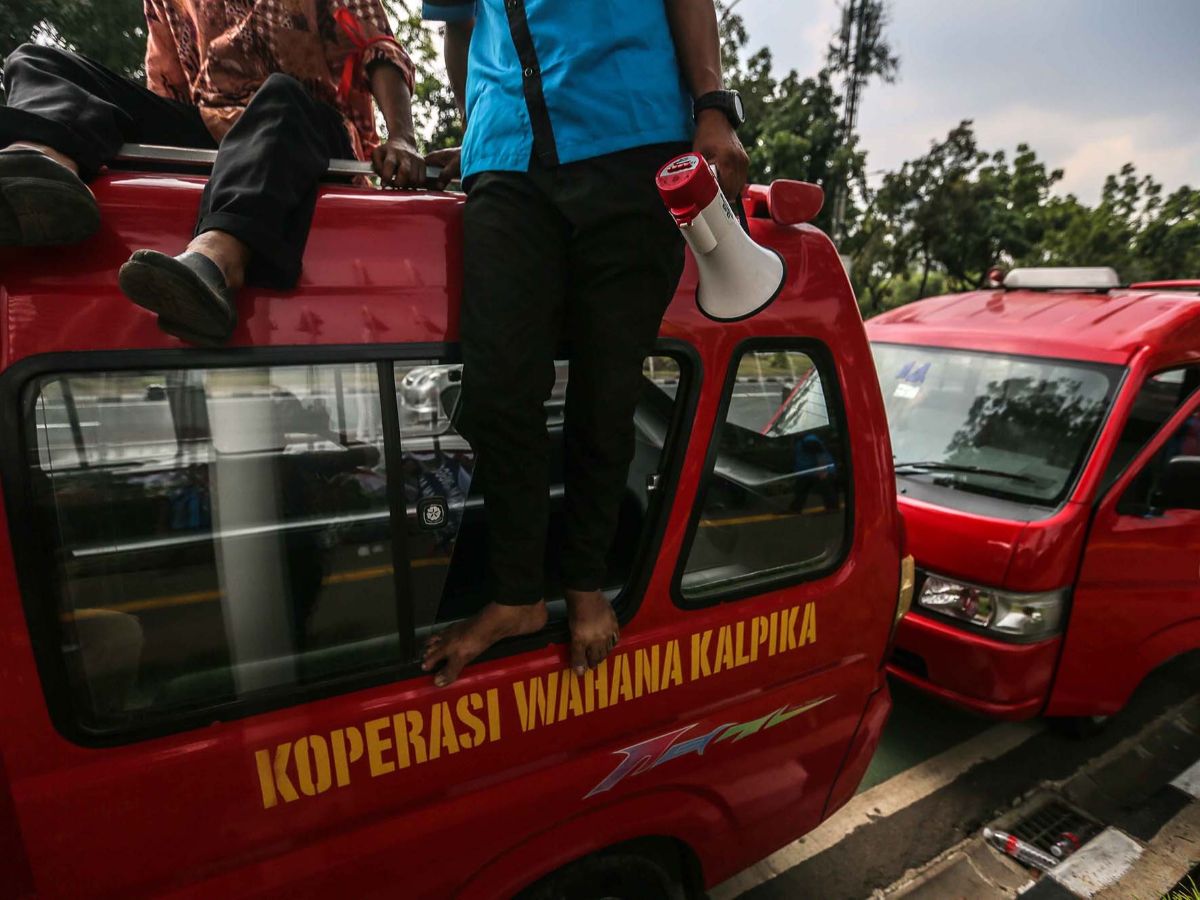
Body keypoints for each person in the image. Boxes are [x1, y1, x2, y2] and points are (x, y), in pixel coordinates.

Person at [419, 0, 749, 686]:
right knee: (497, 383)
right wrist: (474, 122)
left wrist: (713, 107)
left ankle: (584, 583)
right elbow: (458, 27)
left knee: (607, 391)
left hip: (630, 133)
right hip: (506, 155)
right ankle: (515, 597)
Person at [0, 0, 425, 345]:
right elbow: (165, 86)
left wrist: (402, 137)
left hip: (306, 131)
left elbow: (379, 49)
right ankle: (41, 169)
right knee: (38, 59)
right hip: (213, 129)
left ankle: (217, 263)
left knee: (280, 94)